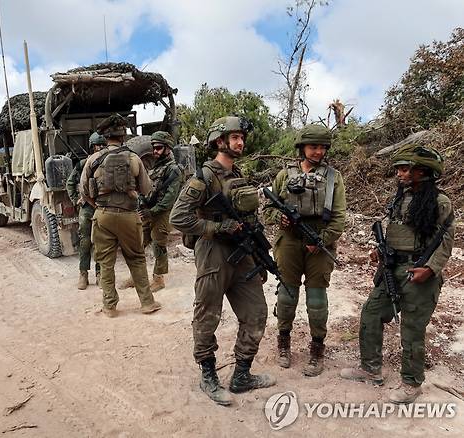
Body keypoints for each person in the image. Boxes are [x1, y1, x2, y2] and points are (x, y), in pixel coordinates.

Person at [170, 116, 275, 406]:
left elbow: (250, 219)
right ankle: (208, 376)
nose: (240, 142)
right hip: (213, 253)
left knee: (256, 313)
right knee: (207, 315)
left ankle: (241, 375)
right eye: (234, 137)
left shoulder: (237, 175)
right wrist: (216, 228)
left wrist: (258, 257)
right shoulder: (203, 178)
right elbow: (178, 217)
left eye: (242, 137)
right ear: (220, 141)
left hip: (242, 254)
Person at [340, 144, 454, 404]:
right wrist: (381, 252)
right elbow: (397, 230)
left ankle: (411, 383)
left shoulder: (439, 201)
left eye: (405, 169)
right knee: (371, 313)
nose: (399, 174)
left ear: (423, 171)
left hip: (419, 271)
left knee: (412, 329)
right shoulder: (400, 197)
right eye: (399, 169)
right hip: (392, 267)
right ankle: (371, 368)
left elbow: (446, 240)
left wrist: (430, 268)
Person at [262, 124, 346, 377]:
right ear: (302, 148)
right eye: (313, 147)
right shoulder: (284, 175)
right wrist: (280, 218)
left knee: (317, 300)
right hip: (288, 241)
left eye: (322, 147)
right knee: (287, 295)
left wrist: (322, 238)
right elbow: (267, 210)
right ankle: (284, 342)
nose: (318, 152)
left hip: (319, 243)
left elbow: (339, 217)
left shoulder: (334, 178)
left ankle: (317, 347)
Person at [79, 114, 162, 317]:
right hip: (128, 217)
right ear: (123, 136)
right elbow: (146, 188)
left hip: (103, 216)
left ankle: (109, 306)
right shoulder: (134, 158)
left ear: (105, 137)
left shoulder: (93, 160)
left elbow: (83, 192)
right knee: (136, 259)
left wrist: (98, 206)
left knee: (105, 262)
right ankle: (147, 303)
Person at [119, 131, 183, 292]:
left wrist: (152, 211)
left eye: (159, 148)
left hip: (161, 213)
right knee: (139, 244)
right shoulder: (156, 166)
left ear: (168, 148)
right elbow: (146, 188)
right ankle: (136, 276)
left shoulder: (173, 169)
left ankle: (158, 279)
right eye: (154, 148)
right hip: (148, 210)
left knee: (158, 244)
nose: (155, 151)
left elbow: (169, 198)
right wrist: (142, 204)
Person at [67, 132, 108, 290]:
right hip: (86, 207)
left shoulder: (108, 163)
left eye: (102, 145)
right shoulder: (83, 164)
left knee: (100, 241)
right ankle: (83, 273)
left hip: (102, 206)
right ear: (92, 147)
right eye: (97, 146)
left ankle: (99, 274)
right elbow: (70, 183)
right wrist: (75, 200)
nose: (100, 148)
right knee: (85, 241)